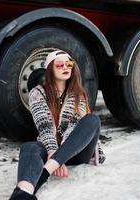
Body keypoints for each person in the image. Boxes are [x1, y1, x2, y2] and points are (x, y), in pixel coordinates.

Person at [9, 50, 105, 200]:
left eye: (69, 64)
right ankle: (23, 192)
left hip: (78, 151)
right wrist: (53, 150)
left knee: (92, 120)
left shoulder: (79, 93)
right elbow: (44, 126)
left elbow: (75, 126)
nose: (66, 67)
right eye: (60, 64)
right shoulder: (37, 93)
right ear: (50, 69)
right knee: (29, 147)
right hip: (51, 149)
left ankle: (44, 174)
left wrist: (59, 159)